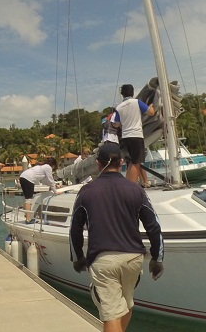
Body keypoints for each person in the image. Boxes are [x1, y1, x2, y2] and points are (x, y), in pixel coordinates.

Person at [70, 141, 164, 332]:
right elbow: (154, 226)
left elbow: (75, 229)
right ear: (121, 162)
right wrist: (157, 258)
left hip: (103, 260)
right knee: (126, 305)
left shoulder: (86, 191)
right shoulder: (136, 190)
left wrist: (78, 256)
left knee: (111, 313)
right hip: (133, 260)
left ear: (98, 163)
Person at [115, 84, 154, 184]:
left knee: (131, 162)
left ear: (122, 94)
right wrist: (151, 107)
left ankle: (128, 184)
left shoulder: (119, 107)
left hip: (125, 137)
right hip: (136, 135)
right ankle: (131, 186)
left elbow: (116, 124)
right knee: (136, 162)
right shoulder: (136, 102)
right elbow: (151, 113)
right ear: (132, 93)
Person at [18, 156, 58, 222]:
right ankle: (28, 219)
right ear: (53, 165)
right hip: (29, 179)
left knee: (27, 198)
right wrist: (55, 191)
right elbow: (51, 180)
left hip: (22, 177)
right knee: (29, 200)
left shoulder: (41, 167)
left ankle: (26, 215)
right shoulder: (48, 167)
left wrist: (52, 186)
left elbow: (45, 181)